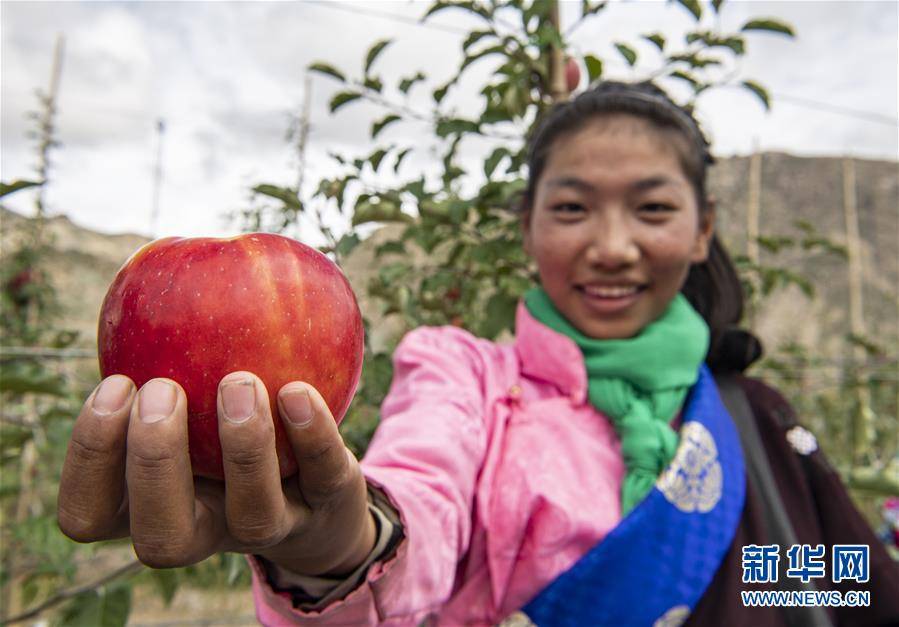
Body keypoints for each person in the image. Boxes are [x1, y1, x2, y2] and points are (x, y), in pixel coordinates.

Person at [57, 81, 899, 626]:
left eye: (650, 208)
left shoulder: (751, 416)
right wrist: (340, 542)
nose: (611, 246)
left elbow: (828, 586)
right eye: (571, 209)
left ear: (702, 228)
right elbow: (419, 511)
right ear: (527, 226)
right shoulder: (463, 377)